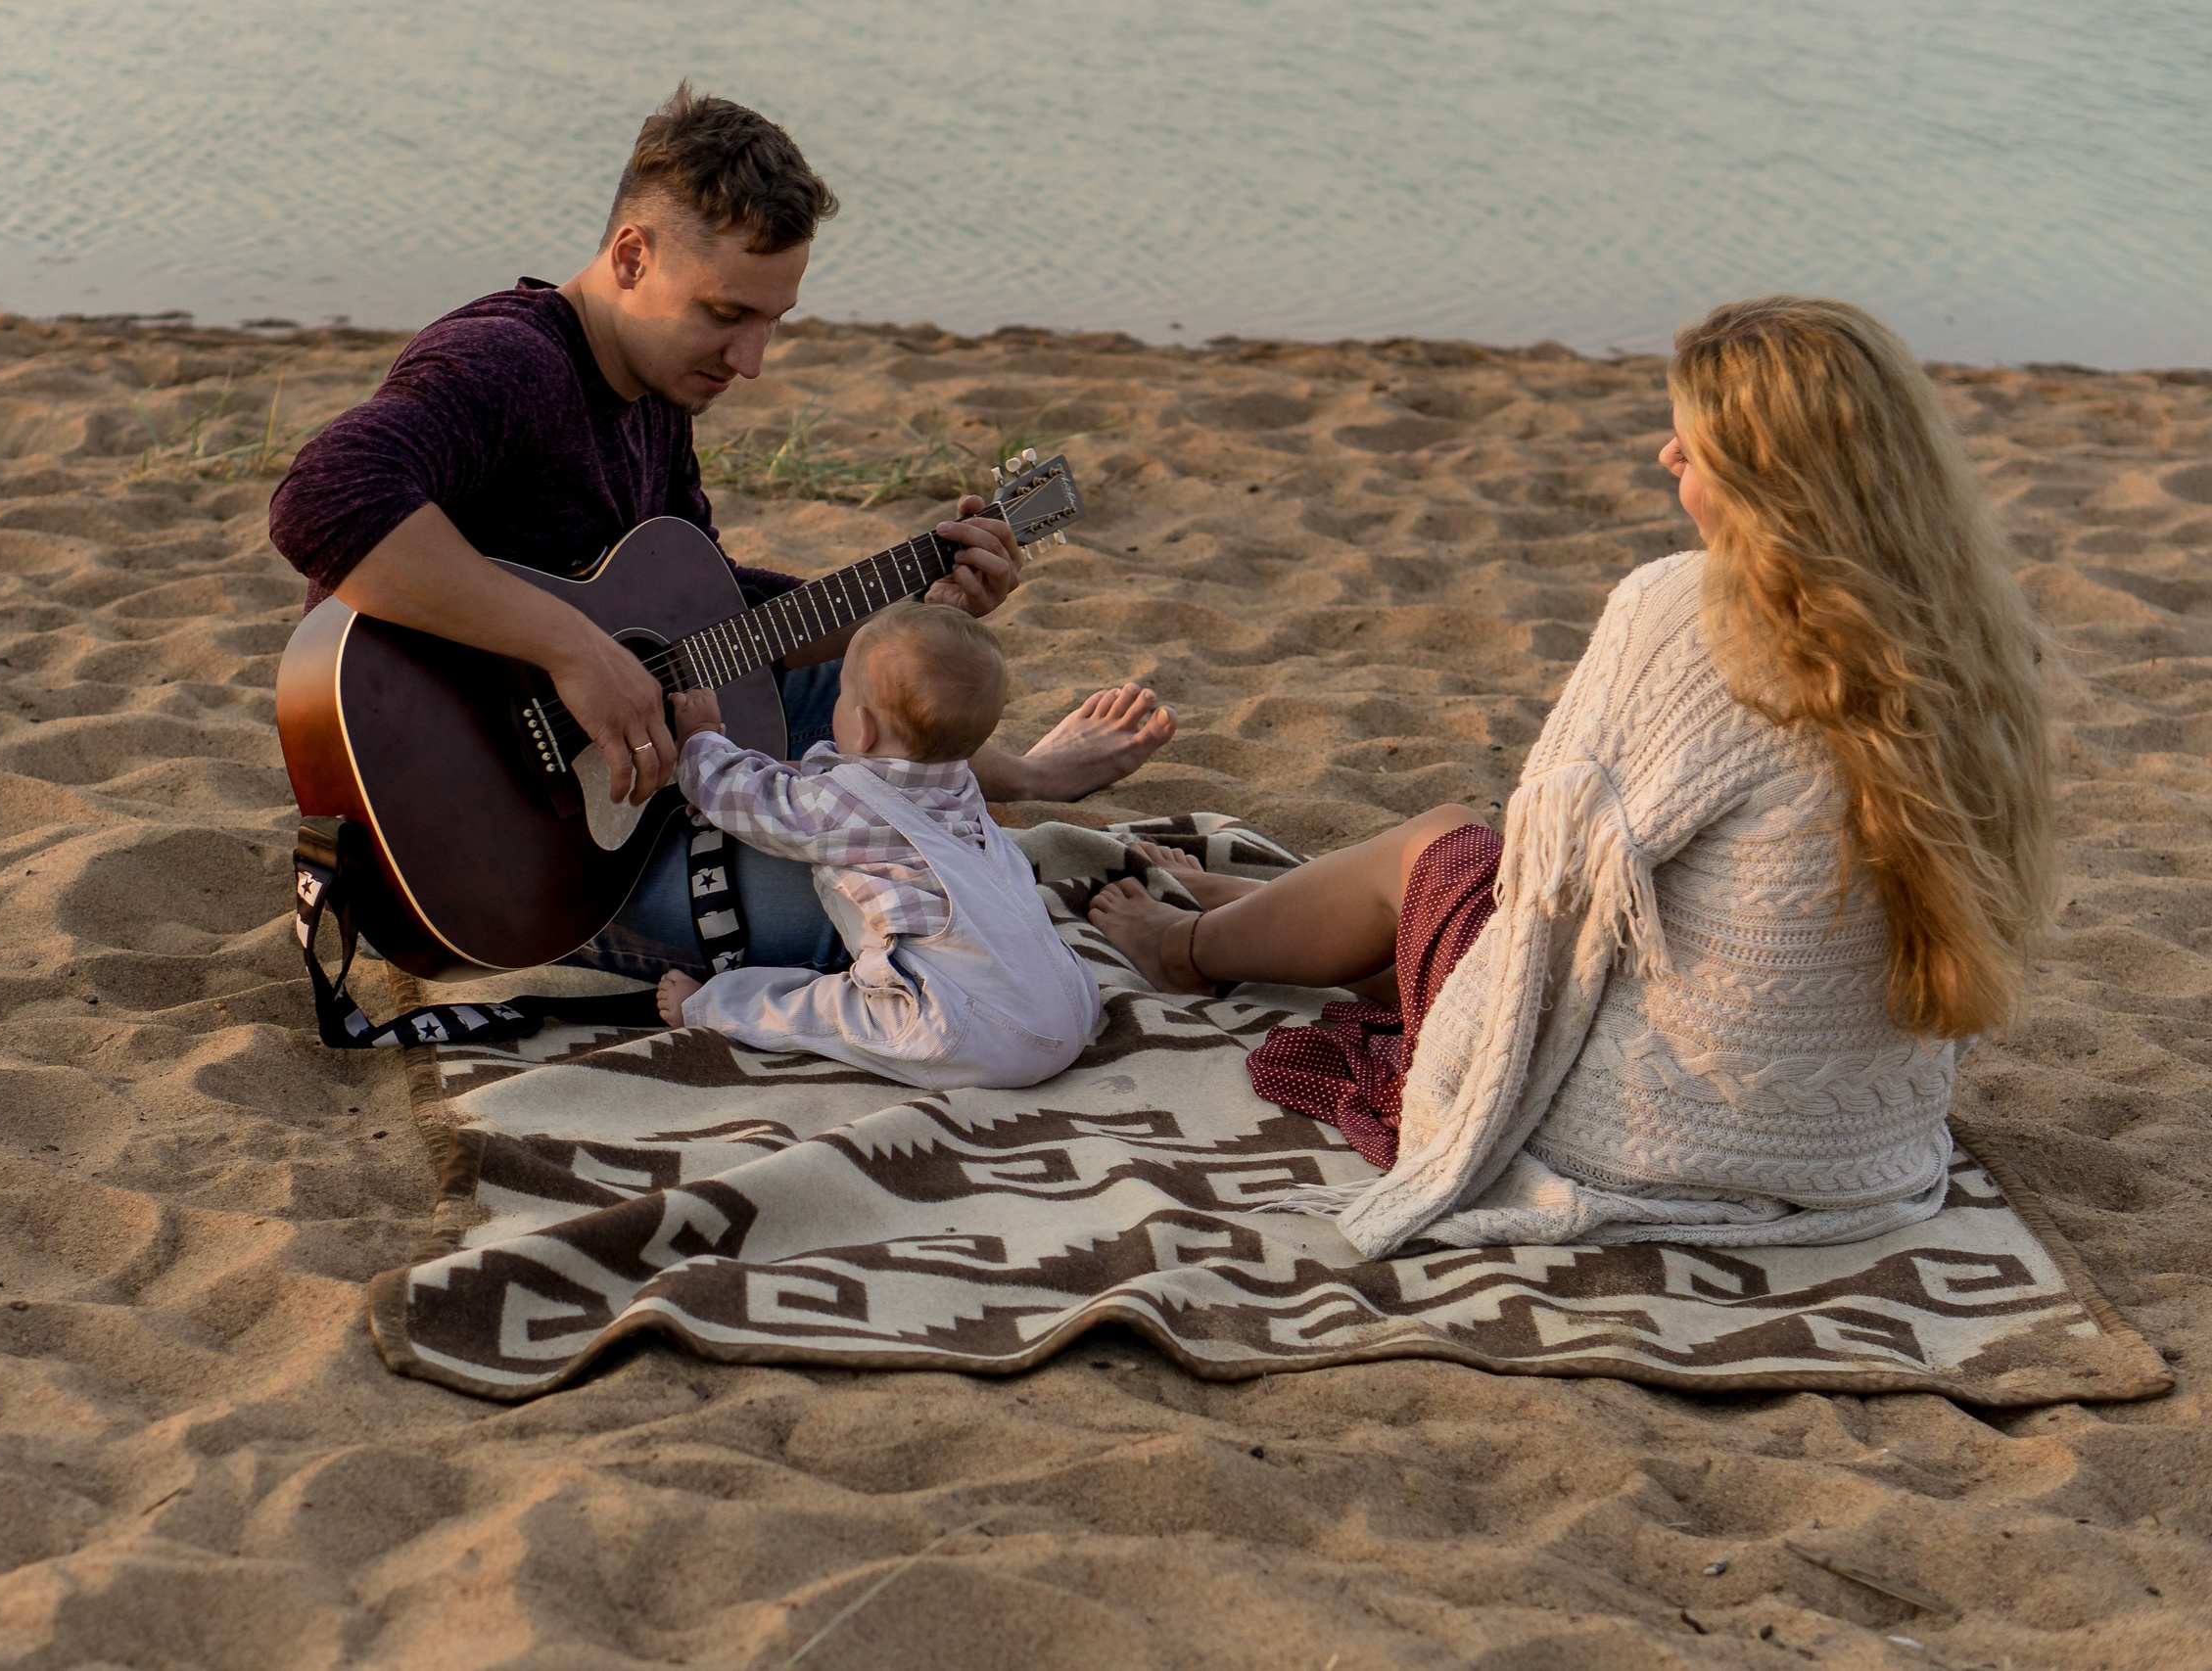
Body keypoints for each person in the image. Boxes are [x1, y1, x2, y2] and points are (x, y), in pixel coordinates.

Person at [1089, 296, 2055, 1259]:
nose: (1664, 459)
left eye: (1692, 448)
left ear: (1768, 479)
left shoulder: (1684, 609)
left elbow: (1541, 893)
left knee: (1444, 846)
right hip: (1861, 1144)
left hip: (1648, 1138)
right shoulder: (1977, 641)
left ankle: (1187, 944)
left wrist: (1458, 1081)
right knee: (1513, 893)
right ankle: (1254, 907)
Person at [269, 84, 1173, 984]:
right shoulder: (512, 362)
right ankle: (1005, 789)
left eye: (771, 322)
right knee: (893, 923)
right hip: (489, 840)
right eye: (725, 313)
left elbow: (717, 619)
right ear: (631, 257)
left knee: (875, 671)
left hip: (628, 776)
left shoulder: (654, 395)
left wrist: (921, 594)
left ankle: (1016, 774)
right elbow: (323, 498)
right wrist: (573, 649)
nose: (750, 361)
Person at [654, 600, 1103, 1088]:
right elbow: (836, 793)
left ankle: (710, 1005)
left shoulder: (847, 806)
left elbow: (755, 801)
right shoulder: (957, 787)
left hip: (960, 1028)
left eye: (844, 695)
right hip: (1073, 1004)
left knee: (817, 1010)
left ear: (862, 728)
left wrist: (700, 738)